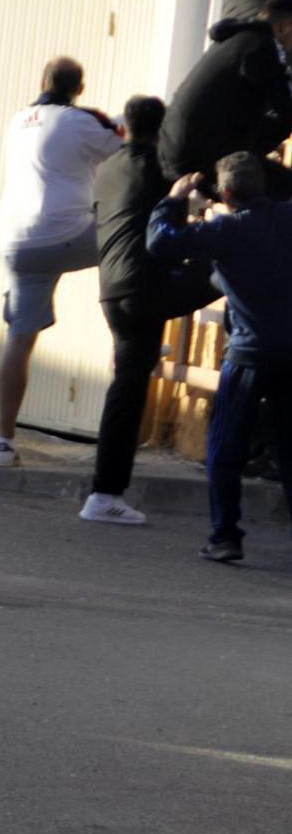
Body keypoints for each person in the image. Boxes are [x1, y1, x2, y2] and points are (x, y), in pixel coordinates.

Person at [148, 151, 292, 563]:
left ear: (226, 193)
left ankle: (225, 535)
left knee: (225, 446)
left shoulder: (225, 230)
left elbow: (160, 241)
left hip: (248, 354)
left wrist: (174, 199)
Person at [84, 94, 217, 527]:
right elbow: (169, 222)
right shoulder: (160, 168)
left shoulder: (108, 169)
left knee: (127, 383)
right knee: (228, 261)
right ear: (163, 133)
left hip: (113, 292)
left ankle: (104, 493)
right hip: (144, 290)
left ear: (124, 128)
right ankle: (104, 495)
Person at [0, 57, 125, 468]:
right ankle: (139, 331)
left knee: (19, 341)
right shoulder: (79, 121)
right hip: (66, 233)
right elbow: (126, 150)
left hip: (17, 242)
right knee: (128, 239)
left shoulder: (17, 120)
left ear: (43, 81)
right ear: (79, 88)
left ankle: (3, 443)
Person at [161, 0, 292, 193]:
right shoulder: (259, 47)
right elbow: (281, 108)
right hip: (198, 156)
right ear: (284, 26)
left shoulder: (238, 39)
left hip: (177, 148)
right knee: (282, 188)